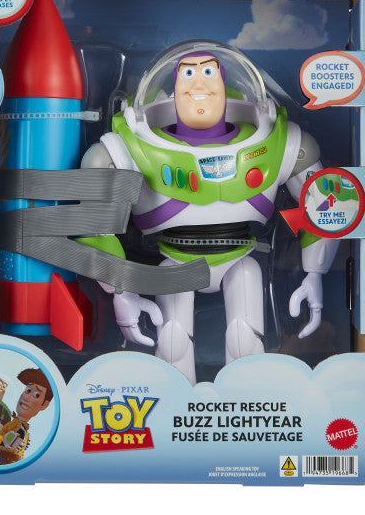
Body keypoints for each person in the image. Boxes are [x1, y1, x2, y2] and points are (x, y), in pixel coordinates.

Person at [81, 45, 338, 384]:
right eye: (188, 73)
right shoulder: (125, 150)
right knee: (171, 346)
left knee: (246, 344)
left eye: (208, 72)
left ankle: (248, 400)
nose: (198, 85)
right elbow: (96, 228)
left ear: (223, 81)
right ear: (174, 87)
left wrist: (315, 272)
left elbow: (326, 207)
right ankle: (175, 402)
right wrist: (121, 292)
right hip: (175, 263)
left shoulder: (284, 144)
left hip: (240, 259)